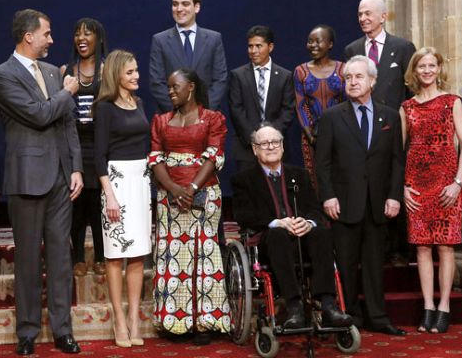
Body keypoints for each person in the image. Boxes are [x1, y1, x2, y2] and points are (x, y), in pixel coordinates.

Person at [0, 9, 83, 355]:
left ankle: (63, 330)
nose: (52, 39)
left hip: (61, 177)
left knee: (61, 258)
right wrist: (67, 91)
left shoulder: (50, 71)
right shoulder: (3, 75)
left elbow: (67, 123)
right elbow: (39, 114)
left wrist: (75, 167)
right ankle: (27, 332)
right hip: (27, 179)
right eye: (47, 33)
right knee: (27, 259)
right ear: (28, 36)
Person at [315, 55, 406, 335]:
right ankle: (348, 316)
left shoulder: (389, 115)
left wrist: (394, 196)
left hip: (378, 204)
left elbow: (396, 161)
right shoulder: (332, 116)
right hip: (344, 204)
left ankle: (378, 318)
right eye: (348, 78)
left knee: (374, 264)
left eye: (359, 77)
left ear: (372, 81)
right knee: (345, 263)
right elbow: (323, 162)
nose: (353, 82)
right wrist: (328, 196)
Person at [232, 124, 352, 330]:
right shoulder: (244, 179)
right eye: (264, 143)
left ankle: (328, 304)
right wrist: (276, 222)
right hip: (269, 241)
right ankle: (294, 306)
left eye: (275, 142)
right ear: (254, 149)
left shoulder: (300, 174)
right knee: (277, 234)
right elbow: (243, 216)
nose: (270, 147)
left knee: (321, 231)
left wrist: (307, 222)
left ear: (283, 146)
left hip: (302, 238)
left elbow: (315, 209)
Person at [150, 69, 231, 344]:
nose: (170, 92)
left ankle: (204, 323)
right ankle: (175, 322)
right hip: (168, 197)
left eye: (175, 87)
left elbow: (214, 155)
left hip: (205, 193)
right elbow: (155, 159)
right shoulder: (160, 121)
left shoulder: (213, 119)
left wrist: (192, 188)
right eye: (168, 87)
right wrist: (174, 189)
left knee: (203, 255)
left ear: (191, 87)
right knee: (173, 257)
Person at [400, 47, 462, 333]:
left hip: (446, 187)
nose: (427, 70)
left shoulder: (452, 102)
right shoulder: (407, 108)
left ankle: (444, 307)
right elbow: (399, 152)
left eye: (432, 65)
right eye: (422, 66)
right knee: (422, 247)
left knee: (445, 246)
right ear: (414, 71)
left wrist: (458, 183)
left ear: (439, 69)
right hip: (416, 186)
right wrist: (403, 187)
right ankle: (428, 306)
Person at [344, 0, 416, 266]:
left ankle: (398, 249)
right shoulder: (353, 49)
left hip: (395, 130)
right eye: (360, 14)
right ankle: (375, 248)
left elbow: (410, 91)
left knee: (393, 185)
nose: (363, 18)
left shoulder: (403, 47)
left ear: (383, 16)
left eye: (368, 14)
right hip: (364, 132)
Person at [93, 50, 151, 348]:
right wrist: (110, 196)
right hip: (115, 183)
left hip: (140, 182)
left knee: (138, 253)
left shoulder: (138, 103)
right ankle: (118, 317)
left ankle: (134, 318)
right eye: (130, 72)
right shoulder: (104, 108)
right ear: (116, 74)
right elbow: (99, 156)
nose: (136, 76)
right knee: (116, 254)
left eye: (137, 70)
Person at [61, 18, 108, 277]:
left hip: (100, 147)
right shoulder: (64, 71)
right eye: (77, 33)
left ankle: (101, 256)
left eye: (87, 34)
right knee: (76, 205)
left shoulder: (108, 70)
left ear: (98, 39)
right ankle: (77, 257)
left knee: (98, 204)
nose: (81, 38)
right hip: (74, 146)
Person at [149, 0, 228, 111]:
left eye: (185, 4)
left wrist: (202, 112)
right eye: (175, 4)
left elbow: (220, 80)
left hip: (206, 119)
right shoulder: (159, 40)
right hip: (172, 119)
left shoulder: (214, 39)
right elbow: (157, 83)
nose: (179, 9)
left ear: (196, 7)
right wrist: (179, 112)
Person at [228, 25, 294, 173]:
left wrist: (270, 139)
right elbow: (236, 110)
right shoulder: (238, 75)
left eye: (259, 46)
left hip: (276, 147)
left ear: (270, 47)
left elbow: (288, 110)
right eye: (250, 46)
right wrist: (255, 138)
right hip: (247, 148)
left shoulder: (285, 76)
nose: (253, 51)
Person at [294, 25, 346, 185]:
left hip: (341, 135)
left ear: (330, 44)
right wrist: (311, 136)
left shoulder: (343, 69)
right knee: (315, 179)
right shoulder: (301, 71)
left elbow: (346, 103)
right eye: (310, 42)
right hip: (312, 137)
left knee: (341, 176)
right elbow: (300, 105)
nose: (313, 45)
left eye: (318, 41)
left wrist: (339, 132)